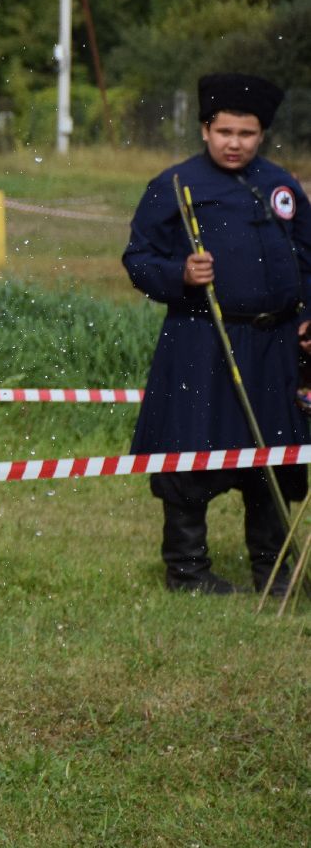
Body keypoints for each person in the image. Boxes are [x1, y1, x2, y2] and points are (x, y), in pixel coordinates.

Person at [123, 72, 310, 595]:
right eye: (224, 131)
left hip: (275, 345)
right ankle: (188, 570)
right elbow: (138, 259)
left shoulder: (281, 186)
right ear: (205, 129)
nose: (235, 143)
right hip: (201, 340)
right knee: (191, 450)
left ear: (262, 134)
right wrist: (179, 274)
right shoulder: (174, 186)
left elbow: (309, 259)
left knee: (274, 455)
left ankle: (275, 572)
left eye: (247, 134)